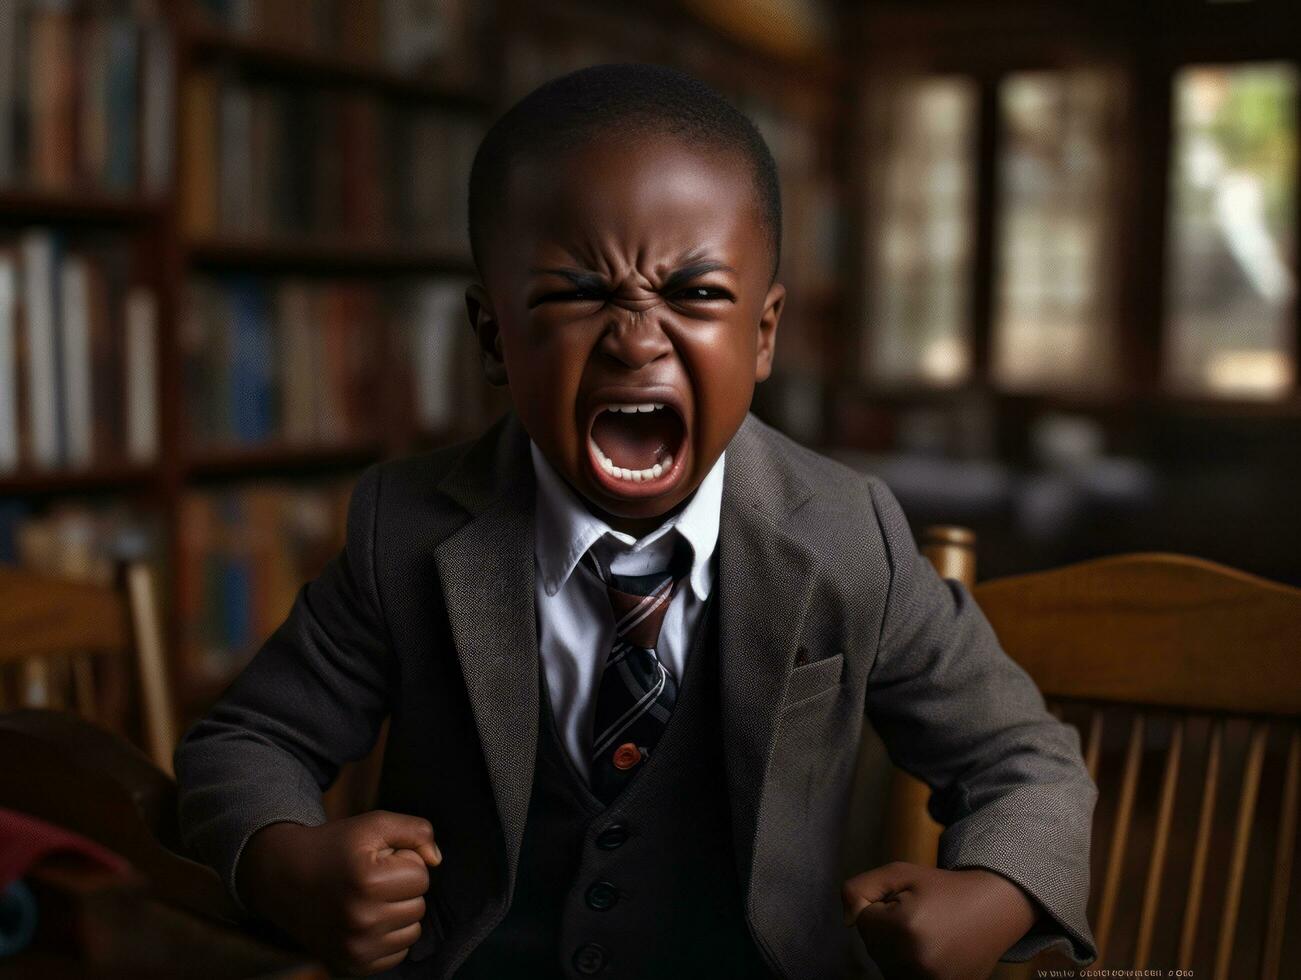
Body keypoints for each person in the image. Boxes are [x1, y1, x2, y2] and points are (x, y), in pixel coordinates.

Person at [174, 63, 1098, 979]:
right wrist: (281, 861)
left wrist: (996, 888)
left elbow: (1024, 759)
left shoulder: (847, 534)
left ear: (764, 335)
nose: (634, 338)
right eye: (577, 293)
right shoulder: (406, 529)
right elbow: (246, 743)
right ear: (493, 336)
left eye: (695, 295)